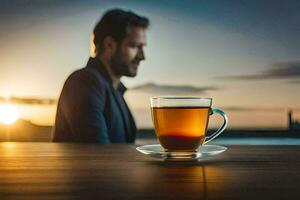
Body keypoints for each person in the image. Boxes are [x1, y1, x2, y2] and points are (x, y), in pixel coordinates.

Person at [52, 9, 149, 143]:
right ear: (109, 45)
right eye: (134, 46)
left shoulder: (114, 90)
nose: (142, 56)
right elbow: (98, 156)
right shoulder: (84, 82)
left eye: (142, 47)